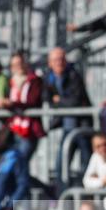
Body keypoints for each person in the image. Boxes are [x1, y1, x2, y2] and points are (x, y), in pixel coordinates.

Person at [43, 47, 93, 191]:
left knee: (86, 164)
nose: (59, 62)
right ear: (50, 63)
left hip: (82, 126)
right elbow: (46, 98)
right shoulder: (48, 78)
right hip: (67, 126)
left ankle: (86, 196)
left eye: (62, 59)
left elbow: (75, 101)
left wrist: (59, 100)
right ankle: (61, 196)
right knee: (61, 165)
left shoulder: (73, 75)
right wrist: (59, 101)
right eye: (56, 60)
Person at [0, 52, 45, 163]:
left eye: (20, 63)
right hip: (12, 129)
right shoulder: (9, 83)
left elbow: (32, 101)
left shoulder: (35, 81)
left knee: (20, 162)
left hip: (29, 130)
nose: (18, 67)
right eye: (14, 65)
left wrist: (12, 104)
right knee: (13, 163)